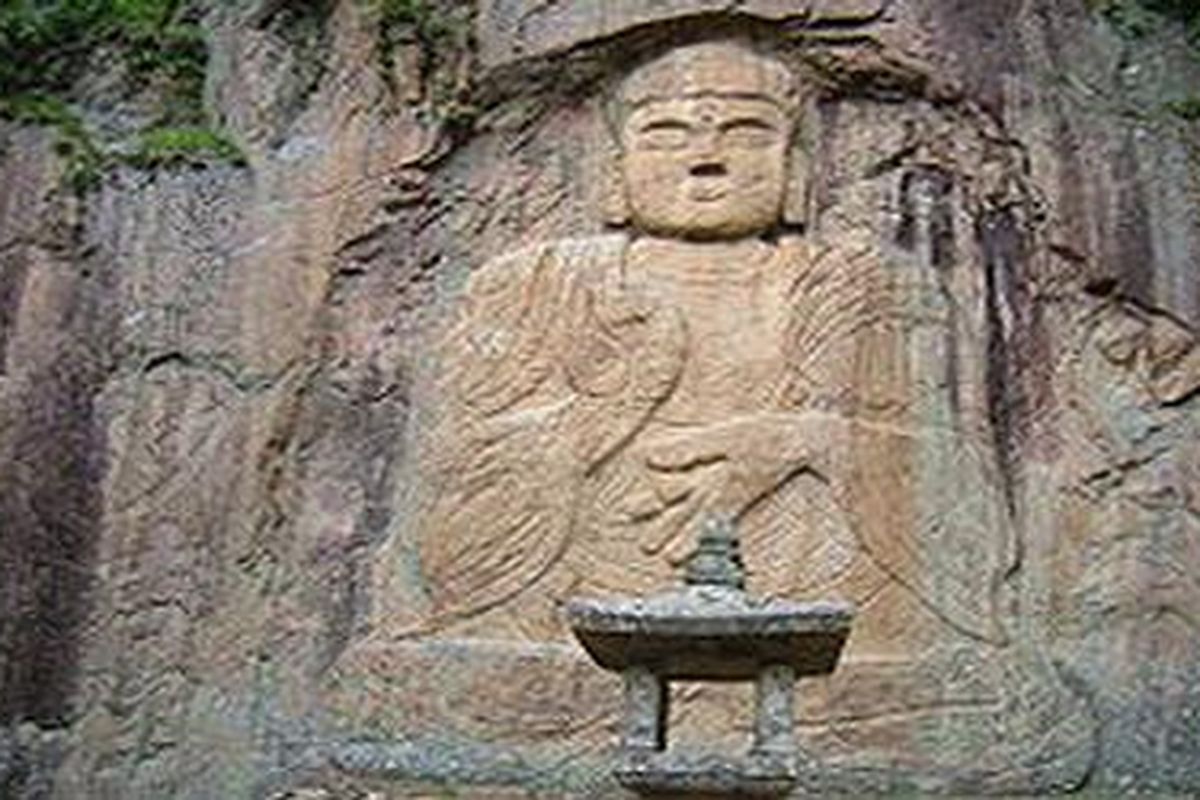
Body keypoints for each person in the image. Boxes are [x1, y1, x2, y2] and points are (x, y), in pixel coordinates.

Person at [374, 40, 1013, 657]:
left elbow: (954, 487)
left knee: (973, 696)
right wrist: (614, 408)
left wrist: (804, 440)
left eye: (747, 132)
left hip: (820, 603)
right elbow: (459, 479)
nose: (707, 158)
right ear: (615, 169)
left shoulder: (868, 286)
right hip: (573, 601)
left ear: (795, 168)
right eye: (666, 134)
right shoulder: (535, 285)